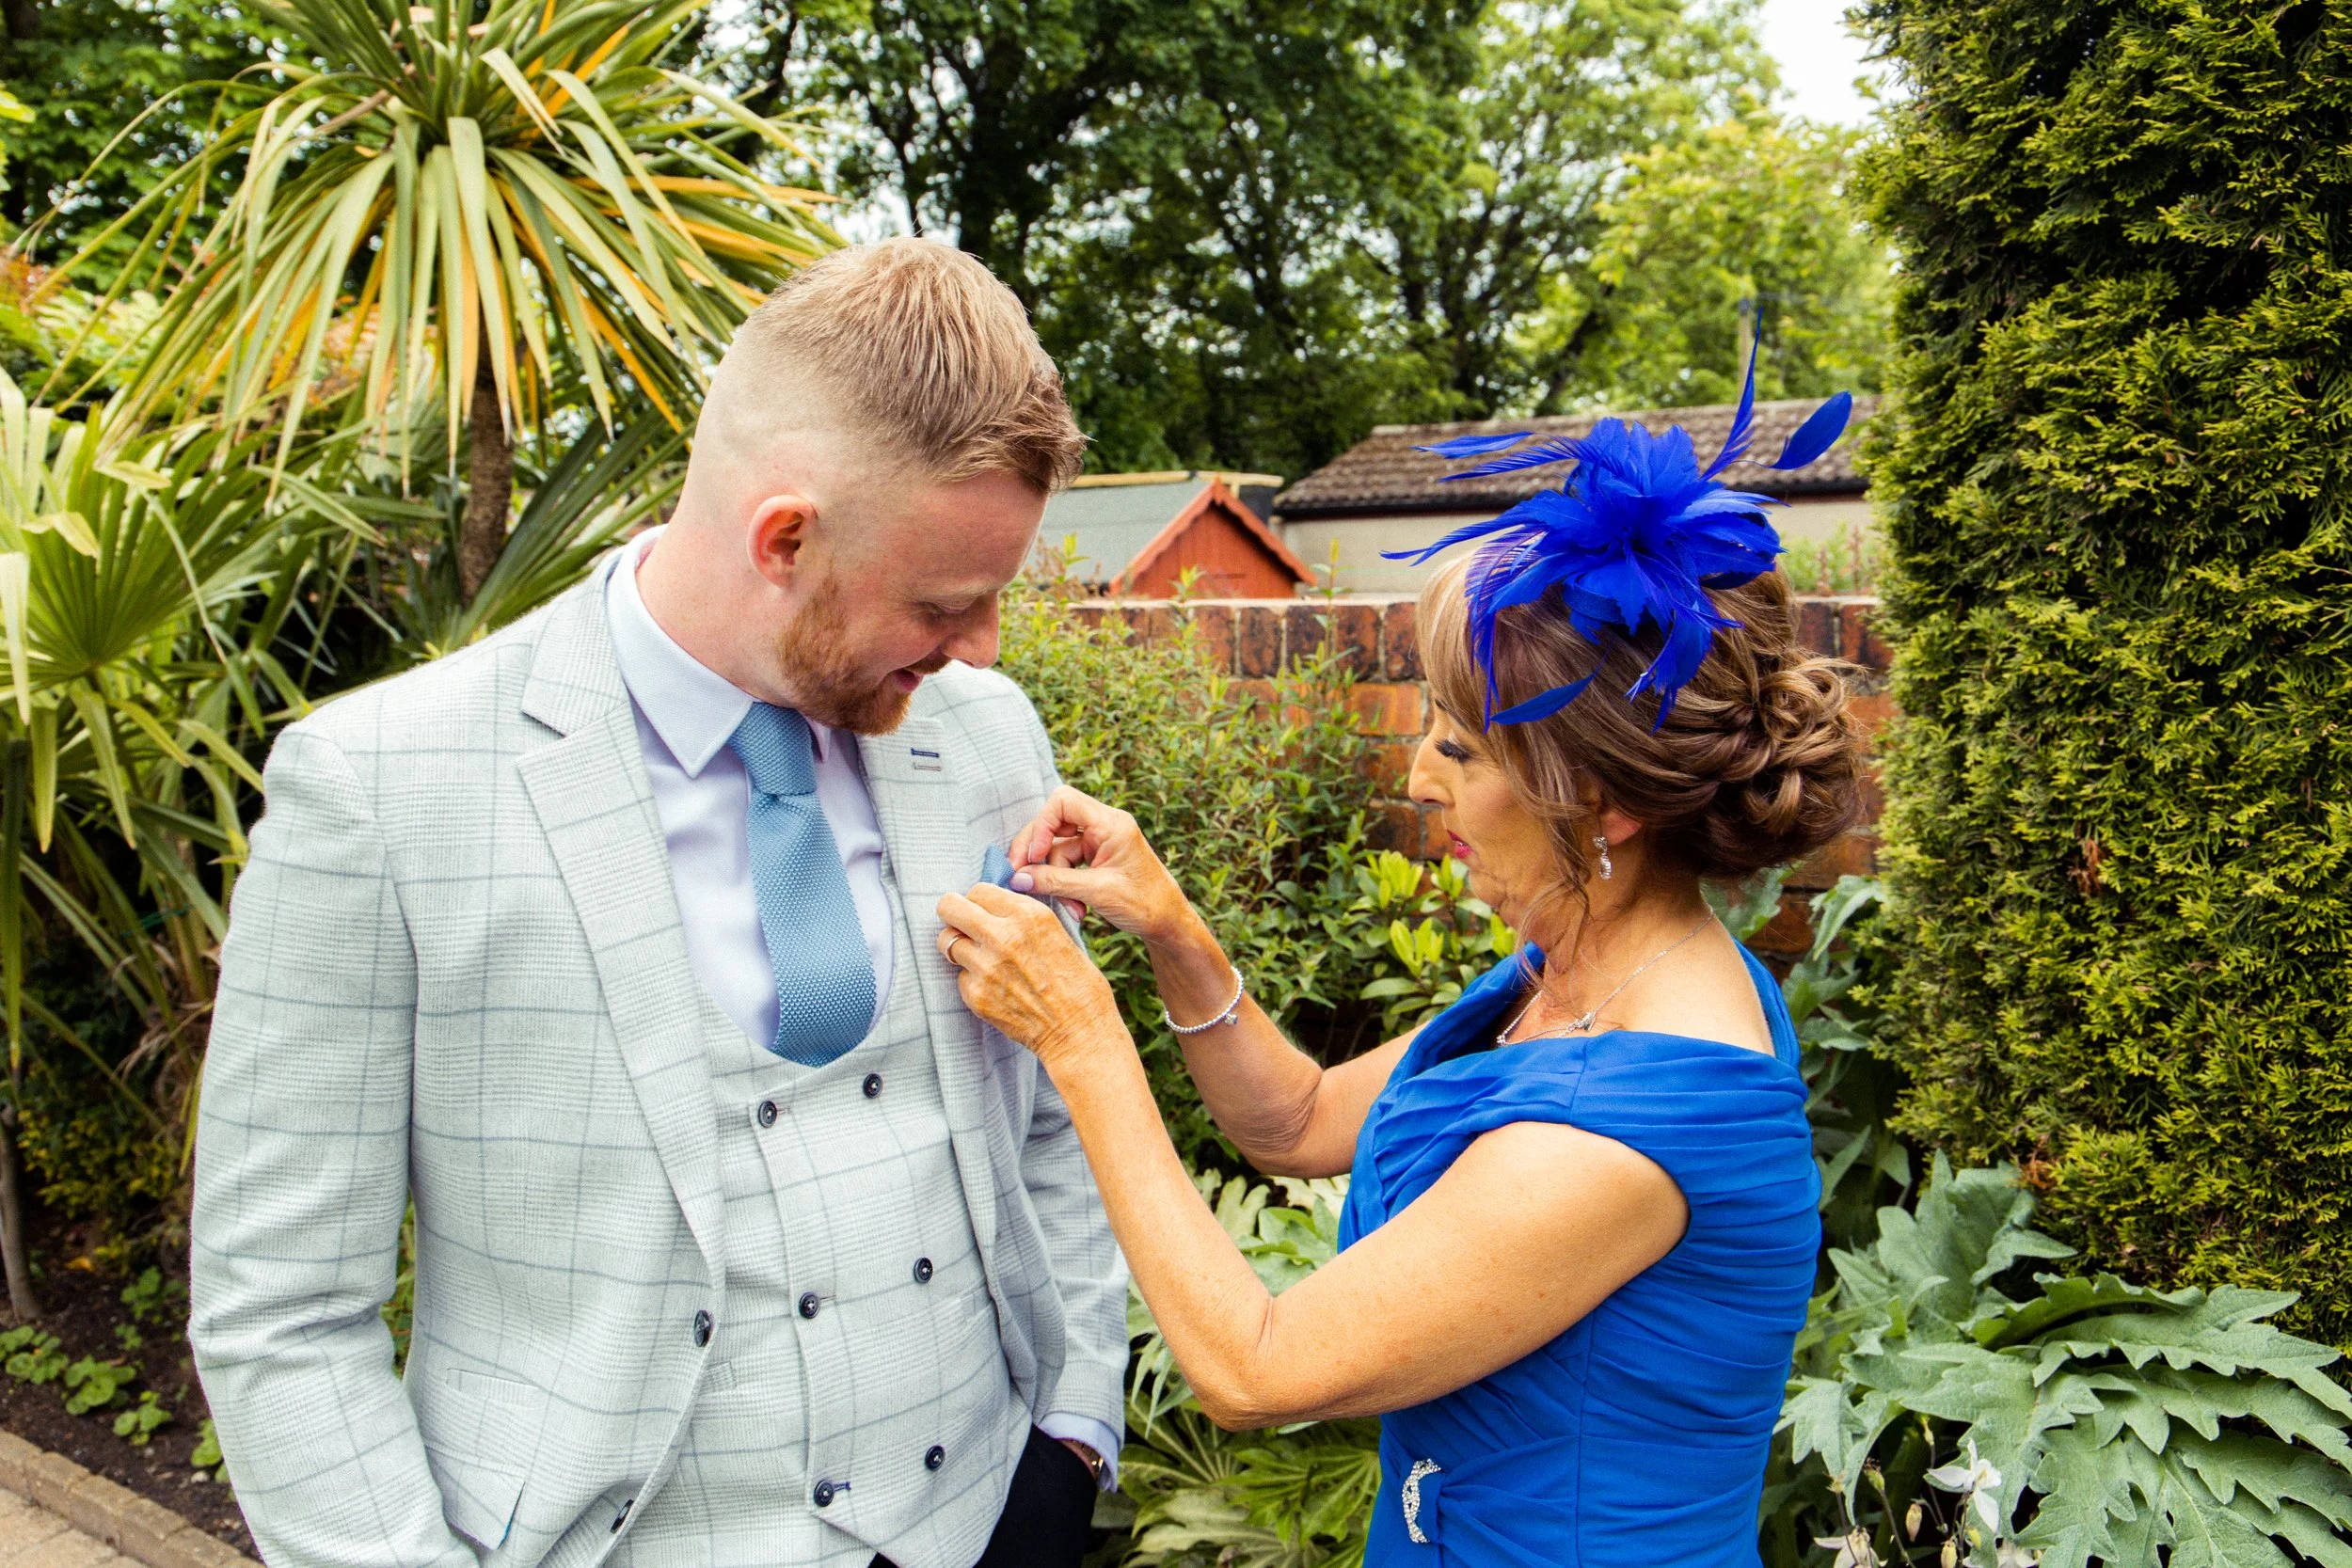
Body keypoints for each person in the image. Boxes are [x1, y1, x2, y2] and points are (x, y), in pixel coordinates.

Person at [189, 240, 1127, 1568]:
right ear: (785, 539)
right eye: (946, 602)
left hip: (983, 1513)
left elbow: (1051, 1114)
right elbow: (279, 1307)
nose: (981, 647)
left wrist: (1076, 1429)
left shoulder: (983, 735)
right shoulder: (381, 788)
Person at [936, 389, 1865, 1564]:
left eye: (1461, 747)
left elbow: (1254, 1365)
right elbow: (1297, 1120)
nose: (1419, 777)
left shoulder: (1625, 1129)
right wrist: (1171, 926)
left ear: (1607, 801)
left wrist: (1081, 1038)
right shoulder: (1574, 972)